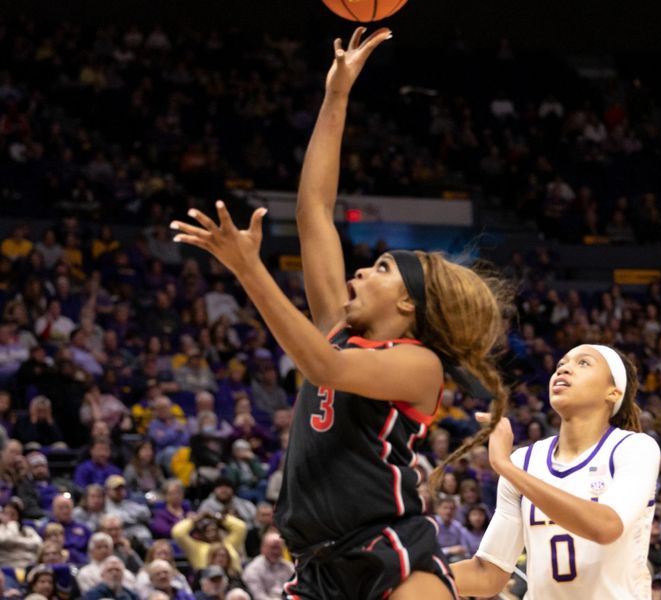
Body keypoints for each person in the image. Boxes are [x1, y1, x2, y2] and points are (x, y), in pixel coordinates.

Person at [171, 26, 508, 600]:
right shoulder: (338, 328)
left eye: (379, 269)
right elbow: (313, 210)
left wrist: (249, 270)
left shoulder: (418, 365)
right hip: (317, 565)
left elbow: (323, 368)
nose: (358, 272)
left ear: (408, 303)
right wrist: (337, 95)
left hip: (389, 551)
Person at [452, 344, 661, 599]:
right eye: (561, 363)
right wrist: (403, 576)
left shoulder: (634, 447)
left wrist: (504, 466)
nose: (564, 369)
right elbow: (488, 575)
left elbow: (606, 526)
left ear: (613, 392)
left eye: (583, 363)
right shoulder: (524, 461)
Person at [242, 532, 293, 600]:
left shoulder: (289, 567)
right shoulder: (253, 569)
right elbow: (258, 596)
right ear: (263, 548)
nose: (276, 551)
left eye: (278, 548)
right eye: (272, 547)